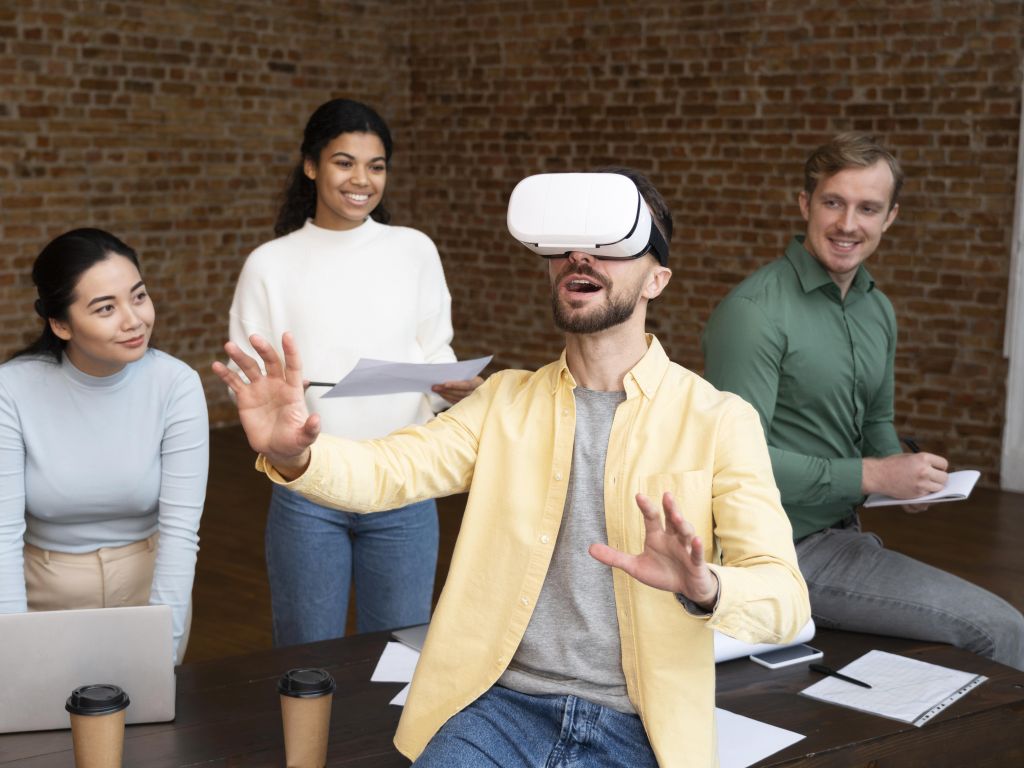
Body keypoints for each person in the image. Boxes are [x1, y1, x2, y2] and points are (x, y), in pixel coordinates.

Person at [215, 169, 810, 767]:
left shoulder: (718, 419)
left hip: (639, 729)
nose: (582, 254)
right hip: (498, 713)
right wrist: (296, 455)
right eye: (570, 244)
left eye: (612, 242)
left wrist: (705, 587)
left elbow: (787, 598)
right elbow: (389, 470)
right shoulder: (503, 402)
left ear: (657, 278)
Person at [702, 132, 1024, 669]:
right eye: (834, 202)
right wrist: (875, 477)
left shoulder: (878, 310)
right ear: (805, 204)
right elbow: (735, 465)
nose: (849, 224)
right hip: (777, 550)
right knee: (1001, 628)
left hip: (845, 534)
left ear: (889, 217)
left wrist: (906, 479)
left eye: (867, 208)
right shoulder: (753, 312)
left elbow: (877, 418)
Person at [228, 97, 480, 647]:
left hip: (404, 480)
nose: (361, 179)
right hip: (307, 483)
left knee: (398, 656)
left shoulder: (414, 250)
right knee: (304, 653)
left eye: (376, 165)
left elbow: (435, 354)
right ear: (312, 166)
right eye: (344, 162)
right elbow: (254, 380)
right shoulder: (269, 264)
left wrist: (456, 389)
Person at [0, 228, 208, 665]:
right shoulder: (12, 389)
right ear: (60, 323)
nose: (133, 320)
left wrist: (164, 647)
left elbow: (180, 532)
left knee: (148, 730)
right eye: (105, 308)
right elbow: (1, 535)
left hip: (149, 593)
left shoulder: (176, 385)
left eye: (138, 296)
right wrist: (11, 646)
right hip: (42, 596)